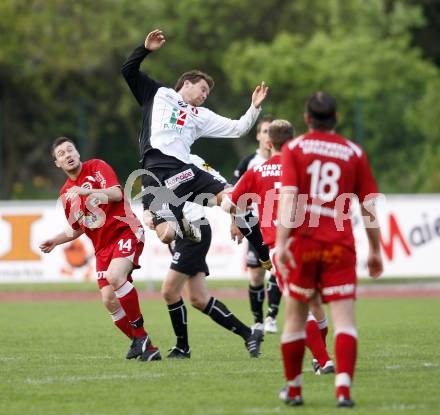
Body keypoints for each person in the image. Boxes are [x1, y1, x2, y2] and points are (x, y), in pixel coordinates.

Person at [121, 29, 272, 271]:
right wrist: (145, 49)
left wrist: (253, 108)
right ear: (187, 83)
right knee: (166, 236)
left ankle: (264, 251)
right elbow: (128, 70)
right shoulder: (159, 94)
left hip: (183, 170)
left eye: (208, 93)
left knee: (232, 198)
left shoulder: (200, 116)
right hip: (154, 175)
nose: (204, 95)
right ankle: (180, 221)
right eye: (202, 89)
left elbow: (238, 128)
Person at [275, 92, 383, 407]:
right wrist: (375, 249)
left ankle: (294, 390)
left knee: (295, 316)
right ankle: (343, 391)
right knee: (345, 320)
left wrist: (282, 242)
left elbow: (290, 198)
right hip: (339, 244)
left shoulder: (294, 148)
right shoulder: (353, 152)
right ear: (336, 119)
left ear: (307, 119)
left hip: (304, 242)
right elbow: (368, 205)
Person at [223, 119, 334, 374]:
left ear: (269, 142)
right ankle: (321, 356)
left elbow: (229, 204)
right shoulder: (306, 168)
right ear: (293, 140)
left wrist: (237, 213)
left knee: (298, 305)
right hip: (311, 241)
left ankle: (324, 359)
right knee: (314, 300)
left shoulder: (258, 171)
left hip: (279, 246)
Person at [39, 137, 161, 362]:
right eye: (61, 154)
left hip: (125, 230)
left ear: (77, 152)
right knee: (108, 300)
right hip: (102, 247)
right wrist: (55, 240)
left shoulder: (96, 167)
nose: (67, 155)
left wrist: (88, 193)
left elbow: (116, 193)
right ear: (57, 163)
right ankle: (148, 347)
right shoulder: (66, 195)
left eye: (70, 149)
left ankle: (140, 335)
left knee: (116, 277)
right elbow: (77, 228)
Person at [145, 154, 264, 359]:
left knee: (169, 291)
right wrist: (151, 217)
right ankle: (249, 334)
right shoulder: (153, 166)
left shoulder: (193, 160)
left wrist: (236, 218)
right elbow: (151, 202)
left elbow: (226, 188)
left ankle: (182, 348)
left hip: (195, 230)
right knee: (199, 299)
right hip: (177, 235)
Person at [230, 115, 282, 333]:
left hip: (280, 225)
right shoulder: (249, 163)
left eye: (272, 131)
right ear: (259, 135)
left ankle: (271, 316)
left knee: (278, 270)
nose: (268, 134)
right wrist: (236, 222)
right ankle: (258, 320)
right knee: (256, 274)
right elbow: (233, 196)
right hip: (255, 224)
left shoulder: (286, 163)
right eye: (264, 130)